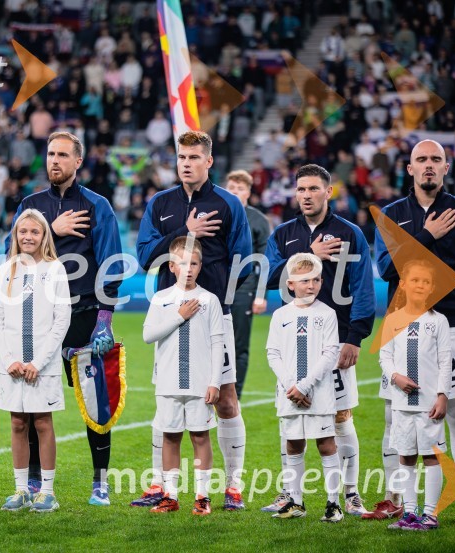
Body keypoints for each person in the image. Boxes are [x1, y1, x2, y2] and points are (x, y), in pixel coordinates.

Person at [373, 139, 455, 524]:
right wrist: (426, 236)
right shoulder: (391, 215)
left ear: (445, 167)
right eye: (421, 159)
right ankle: (396, 499)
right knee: (395, 418)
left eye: (435, 159)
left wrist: (447, 302)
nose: (428, 164)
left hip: (451, 327)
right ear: (409, 168)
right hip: (401, 330)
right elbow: (385, 269)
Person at [136, 130, 252, 510]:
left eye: (194, 157)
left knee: (226, 399)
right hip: (171, 318)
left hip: (213, 318)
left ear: (209, 161)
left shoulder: (228, 204)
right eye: (181, 157)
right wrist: (184, 231)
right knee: (166, 399)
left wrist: (214, 302)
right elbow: (144, 256)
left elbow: (244, 263)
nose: (186, 163)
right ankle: (160, 486)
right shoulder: (161, 203)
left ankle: (233, 487)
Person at [7, 131, 123, 506]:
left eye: (62, 155)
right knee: (33, 399)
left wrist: (104, 319)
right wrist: (50, 232)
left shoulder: (97, 206)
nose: (54, 160)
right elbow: (13, 255)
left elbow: (111, 265)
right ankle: (35, 481)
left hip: (84, 316)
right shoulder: (31, 205)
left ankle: (100, 482)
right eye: (50, 154)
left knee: (96, 402)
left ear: (78, 161)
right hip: (38, 318)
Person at [264, 163, 374, 515]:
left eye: (314, 188)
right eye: (301, 189)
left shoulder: (349, 233)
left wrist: (355, 337)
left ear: (329, 192)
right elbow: (268, 277)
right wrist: (310, 254)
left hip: (335, 341)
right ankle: (289, 494)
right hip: (293, 343)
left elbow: (363, 287)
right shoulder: (283, 234)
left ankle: (351, 493)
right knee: (289, 418)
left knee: (341, 417)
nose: (307, 195)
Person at [0, 209, 71, 513]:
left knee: (42, 422)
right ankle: (21, 490)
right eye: (23, 231)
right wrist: (9, 359)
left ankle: (47, 492)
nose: (28, 237)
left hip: (43, 365)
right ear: (15, 235)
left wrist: (39, 361)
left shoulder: (56, 270)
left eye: (35, 232)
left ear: (44, 235)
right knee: (17, 423)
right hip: (11, 365)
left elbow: (61, 321)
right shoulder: (6, 270)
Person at [143, 237, 224, 515]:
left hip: (200, 383)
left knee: (200, 436)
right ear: (171, 266)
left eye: (194, 263)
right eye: (182, 263)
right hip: (168, 382)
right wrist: (179, 315)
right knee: (170, 436)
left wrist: (215, 382)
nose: (188, 269)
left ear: (200, 266)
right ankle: (171, 496)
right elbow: (148, 335)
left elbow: (217, 343)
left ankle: (202, 497)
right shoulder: (161, 299)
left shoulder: (209, 300)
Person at [266, 253, 343, 522]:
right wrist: (292, 386)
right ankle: (296, 502)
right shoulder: (280, 315)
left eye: (316, 280)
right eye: (304, 280)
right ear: (290, 284)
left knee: (326, 444)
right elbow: (273, 353)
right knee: (293, 444)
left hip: (318, 394)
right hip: (289, 394)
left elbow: (330, 354)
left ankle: (334, 504)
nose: (311, 285)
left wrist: (305, 386)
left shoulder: (327, 314)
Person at [380, 259, 451, 531]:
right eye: (415, 280)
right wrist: (395, 377)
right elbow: (385, 357)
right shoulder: (393, 320)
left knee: (431, 456)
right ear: (402, 284)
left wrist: (442, 395)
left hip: (429, 403)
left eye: (426, 281)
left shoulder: (438, 321)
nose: (420, 285)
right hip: (401, 403)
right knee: (406, 455)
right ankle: (410, 513)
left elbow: (445, 361)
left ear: (432, 288)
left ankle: (430, 514)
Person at [224, 169, 271, 399]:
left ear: (248, 193)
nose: (235, 192)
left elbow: (265, 261)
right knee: (210, 342)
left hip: (244, 289)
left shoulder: (258, 220)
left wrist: (261, 294)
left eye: (240, 188)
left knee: (238, 345)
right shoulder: (215, 214)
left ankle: (235, 396)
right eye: (231, 188)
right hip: (215, 288)